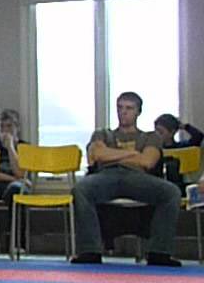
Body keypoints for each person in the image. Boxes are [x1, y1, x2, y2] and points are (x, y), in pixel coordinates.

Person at [71, 91, 182, 267]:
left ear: (138, 112)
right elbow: (97, 155)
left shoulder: (150, 137)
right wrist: (132, 153)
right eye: (120, 108)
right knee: (81, 189)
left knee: (171, 192)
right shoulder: (102, 134)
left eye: (129, 108)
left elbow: (147, 161)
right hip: (107, 176)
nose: (123, 112)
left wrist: (112, 154)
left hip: (137, 178)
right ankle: (89, 250)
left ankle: (159, 252)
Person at [0, 108, 28, 202]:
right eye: (1, 126)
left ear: (17, 128)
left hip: (18, 186)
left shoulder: (25, 147)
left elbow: (20, 173)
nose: (5, 130)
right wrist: (13, 179)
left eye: (9, 126)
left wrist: (10, 147)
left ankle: (13, 216)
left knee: (15, 190)